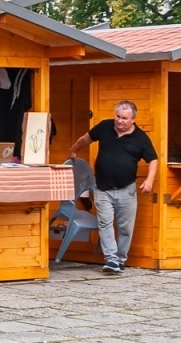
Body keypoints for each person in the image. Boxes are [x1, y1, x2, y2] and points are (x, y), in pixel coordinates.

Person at [67, 100, 158, 275]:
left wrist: (149, 180)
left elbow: (153, 159)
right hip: (103, 189)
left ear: (133, 119)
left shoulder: (140, 138)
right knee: (105, 223)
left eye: (124, 118)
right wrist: (73, 150)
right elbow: (86, 138)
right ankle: (111, 259)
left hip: (126, 190)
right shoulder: (105, 127)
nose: (120, 121)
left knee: (125, 227)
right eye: (118, 116)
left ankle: (120, 258)